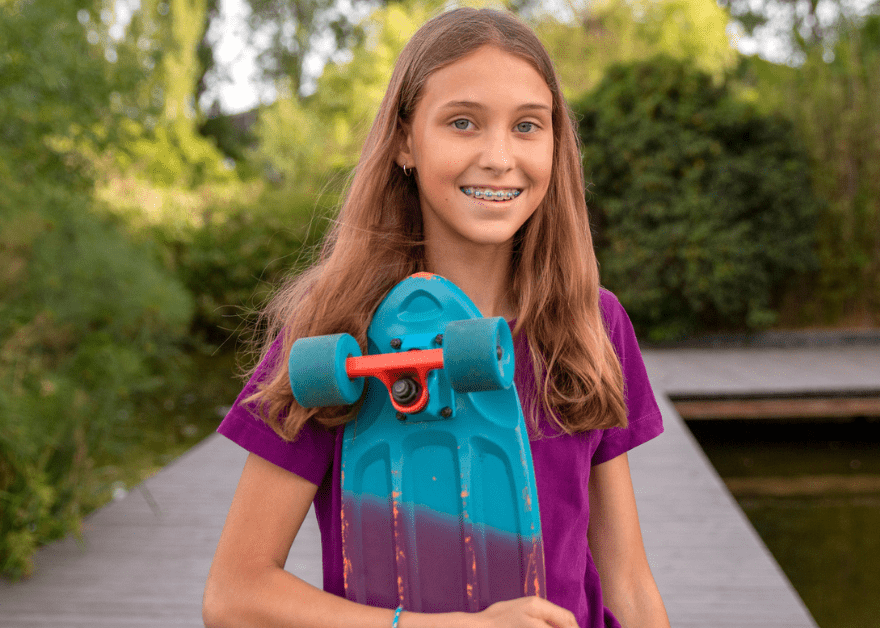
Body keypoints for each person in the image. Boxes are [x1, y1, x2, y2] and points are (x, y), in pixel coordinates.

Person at [202, 7, 669, 628]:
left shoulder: (590, 323)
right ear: (404, 142)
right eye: (463, 123)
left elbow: (629, 584)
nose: (499, 157)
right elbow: (234, 596)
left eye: (528, 126)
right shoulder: (334, 332)